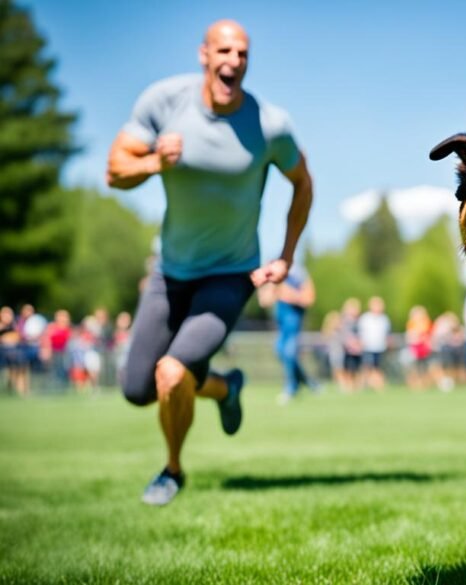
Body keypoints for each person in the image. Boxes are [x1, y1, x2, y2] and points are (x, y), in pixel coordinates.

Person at [105, 20, 313, 505]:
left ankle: (171, 470)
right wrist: (155, 160)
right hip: (170, 271)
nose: (233, 61)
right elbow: (115, 171)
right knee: (138, 388)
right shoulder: (164, 103)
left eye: (242, 54)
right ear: (204, 55)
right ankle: (223, 388)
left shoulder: (269, 125)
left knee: (172, 375)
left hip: (231, 273)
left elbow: (303, 182)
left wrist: (285, 257)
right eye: (224, 51)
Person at [268, 266, 318, 405]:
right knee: (280, 351)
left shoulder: (298, 275)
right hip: (281, 327)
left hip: (293, 326)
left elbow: (308, 299)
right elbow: (265, 299)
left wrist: (288, 294)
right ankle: (310, 383)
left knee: (289, 353)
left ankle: (291, 388)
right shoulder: (275, 276)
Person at [358, 297, 391, 390]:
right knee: (367, 367)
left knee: (377, 367)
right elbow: (360, 333)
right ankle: (363, 385)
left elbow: (387, 334)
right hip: (368, 347)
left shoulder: (384, 319)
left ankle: (378, 385)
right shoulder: (365, 318)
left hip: (380, 347)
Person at [338, 298, 363, 392]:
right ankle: (347, 386)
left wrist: (359, 344)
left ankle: (356, 387)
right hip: (348, 350)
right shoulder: (344, 321)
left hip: (357, 350)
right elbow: (343, 335)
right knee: (348, 368)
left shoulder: (359, 321)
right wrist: (350, 343)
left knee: (357, 369)